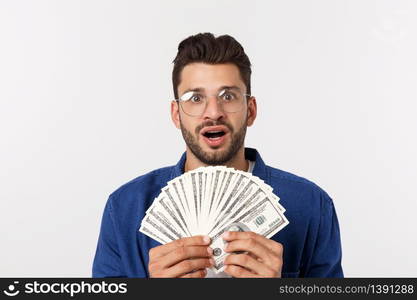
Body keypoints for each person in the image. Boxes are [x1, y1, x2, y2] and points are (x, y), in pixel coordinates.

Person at [92, 33, 343, 278]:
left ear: (251, 110)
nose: (213, 112)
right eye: (195, 98)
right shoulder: (124, 208)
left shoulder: (312, 206)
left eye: (228, 96)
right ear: (176, 114)